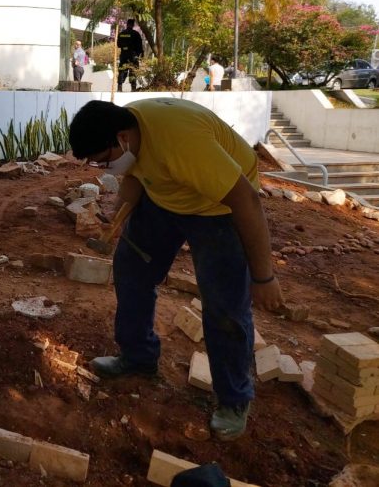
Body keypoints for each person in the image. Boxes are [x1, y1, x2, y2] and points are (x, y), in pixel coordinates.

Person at [68, 98, 284, 441]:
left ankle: (233, 400)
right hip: (166, 197)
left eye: (103, 160)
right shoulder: (130, 131)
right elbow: (136, 175)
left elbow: (247, 201)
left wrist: (264, 276)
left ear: (122, 138)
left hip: (217, 207)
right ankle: (138, 357)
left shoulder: (183, 145)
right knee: (131, 271)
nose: (104, 167)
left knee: (224, 304)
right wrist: (117, 216)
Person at [117, 18, 143, 92]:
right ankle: (133, 88)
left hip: (123, 55)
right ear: (133, 25)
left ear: (127, 24)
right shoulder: (136, 34)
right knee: (133, 70)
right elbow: (140, 46)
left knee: (122, 70)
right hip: (133, 55)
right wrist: (140, 54)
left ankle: (119, 87)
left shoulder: (121, 34)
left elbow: (118, 45)